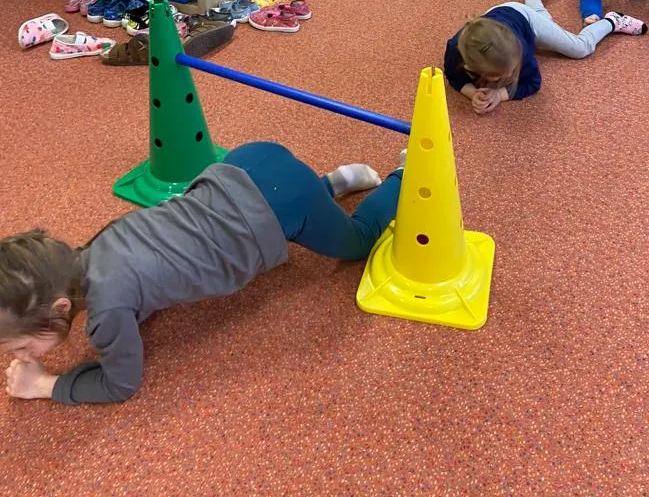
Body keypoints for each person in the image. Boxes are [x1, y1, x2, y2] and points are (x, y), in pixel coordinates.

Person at [0, 145, 403, 405]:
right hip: (247, 163)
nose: (21, 355)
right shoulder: (97, 247)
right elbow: (139, 283)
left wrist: (43, 385)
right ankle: (331, 184)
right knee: (301, 204)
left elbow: (121, 384)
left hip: (283, 203)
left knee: (359, 242)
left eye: (19, 346)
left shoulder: (106, 312)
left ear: (62, 307)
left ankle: (405, 174)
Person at [443, 0, 647, 115]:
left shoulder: (518, 49)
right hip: (497, 18)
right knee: (546, 22)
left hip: (524, 19)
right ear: (469, 66)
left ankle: (612, 21)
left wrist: (500, 94)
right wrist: (472, 92)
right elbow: (453, 75)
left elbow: (533, 83)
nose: (508, 77)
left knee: (580, 48)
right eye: (499, 76)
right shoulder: (455, 49)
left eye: (510, 72)